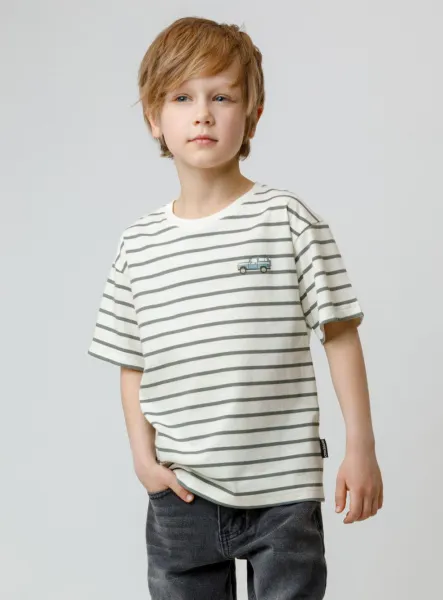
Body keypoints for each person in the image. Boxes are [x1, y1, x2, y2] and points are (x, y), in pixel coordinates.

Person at [87, 15, 383, 600]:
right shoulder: (138, 245)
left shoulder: (288, 220)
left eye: (221, 96)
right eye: (182, 97)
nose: (202, 113)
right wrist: (143, 460)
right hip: (182, 495)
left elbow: (340, 333)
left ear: (252, 114)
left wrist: (361, 447)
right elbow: (131, 361)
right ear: (154, 117)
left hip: (283, 494)